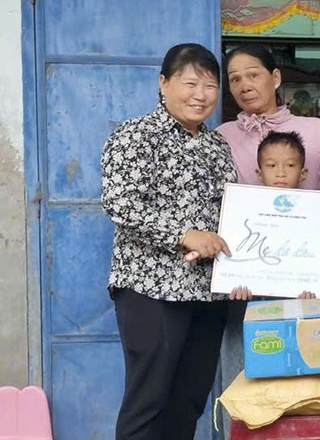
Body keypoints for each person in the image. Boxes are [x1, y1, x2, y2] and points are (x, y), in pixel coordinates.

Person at [101, 43, 237, 440]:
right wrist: (183, 235)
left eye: (210, 85)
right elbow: (121, 203)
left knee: (189, 400)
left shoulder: (217, 146)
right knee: (149, 400)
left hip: (207, 294)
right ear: (164, 83)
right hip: (151, 289)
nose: (201, 94)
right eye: (190, 83)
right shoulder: (135, 136)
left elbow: (232, 216)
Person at [219, 131, 314, 438]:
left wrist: (314, 290)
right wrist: (236, 286)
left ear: (304, 172)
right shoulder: (240, 211)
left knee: (293, 392)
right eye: (272, 166)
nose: (281, 173)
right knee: (243, 389)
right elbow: (231, 262)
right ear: (259, 172)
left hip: (295, 313)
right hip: (250, 309)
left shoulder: (318, 214)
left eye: (289, 165)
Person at [217, 44, 320, 189]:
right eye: (235, 79)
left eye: (253, 75)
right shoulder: (221, 137)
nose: (245, 87)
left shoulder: (317, 130)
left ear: (275, 78)